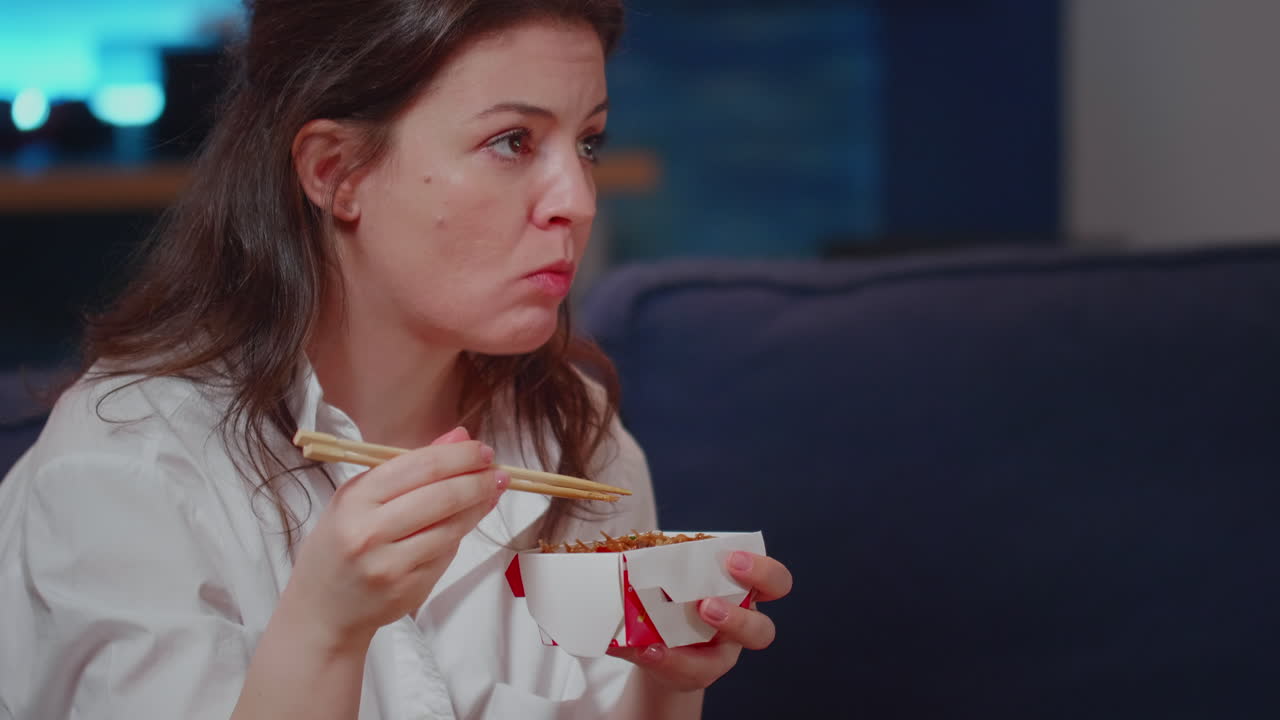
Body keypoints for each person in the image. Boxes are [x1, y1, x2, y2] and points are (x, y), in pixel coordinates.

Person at [0, 1, 793, 718]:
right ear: (335, 172)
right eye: (511, 141)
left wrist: (663, 683)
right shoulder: (126, 469)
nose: (577, 200)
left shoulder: (577, 434)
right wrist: (324, 633)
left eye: (587, 141)